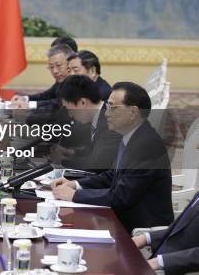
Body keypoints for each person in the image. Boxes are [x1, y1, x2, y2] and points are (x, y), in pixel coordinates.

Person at [52, 82, 173, 233]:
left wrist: (76, 195)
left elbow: (121, 198)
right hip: (122, 217)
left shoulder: (146, 145)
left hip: (139, 228)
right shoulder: (131, 134)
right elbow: (112, 176)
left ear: (133, 112)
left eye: (113, 108)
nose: (107, 113)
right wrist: (75, 184)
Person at [50, 75, 121, 173]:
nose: (70, 115)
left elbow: (97, 164)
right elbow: (96, 150)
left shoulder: (110, 121)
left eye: (70, 110)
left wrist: (62, 161)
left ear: (83, 102)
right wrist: (71, 152)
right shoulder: (99, 115)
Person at [133, 191, 199, 274]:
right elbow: (178, 229)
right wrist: (145, 238)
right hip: (156, 259)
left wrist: (161, 262)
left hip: (171, 268)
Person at [12, 44, 75, 110]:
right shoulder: (61, 79)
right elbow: (46, 95)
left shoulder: (77, 81)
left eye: (58, 65)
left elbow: (60, 102)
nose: (55, 71)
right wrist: (25, 98)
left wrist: (30, 105)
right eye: (51, 67)